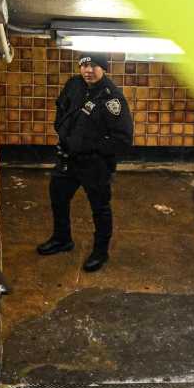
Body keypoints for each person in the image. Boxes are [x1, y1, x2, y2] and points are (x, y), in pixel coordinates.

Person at [36, 52, 134, 271]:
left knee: (100, 208)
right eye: (84, 65)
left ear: (104, 68)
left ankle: (100, 252)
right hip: (67, 159)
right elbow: (61, 108)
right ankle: (62, 239)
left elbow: (123, 139)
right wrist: (63, 133)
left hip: (94, 165)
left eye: (94, 66)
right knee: (58, 197)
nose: (88, 70)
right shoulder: (74, 85)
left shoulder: (112, 99)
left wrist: (94, 149)